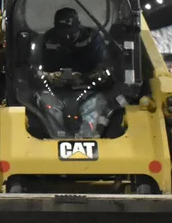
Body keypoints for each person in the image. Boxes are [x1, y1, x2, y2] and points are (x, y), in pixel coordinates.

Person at [35, 7, 114, 137]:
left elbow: (103, 65)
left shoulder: (92, 37)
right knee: (46, 104)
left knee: (96, 106)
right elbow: (37, 67)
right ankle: (58, 138)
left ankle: (88, 138)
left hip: (89, 90)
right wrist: (50, 76)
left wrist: (84, 78)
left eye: (71, 33)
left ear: (79, 27)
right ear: (56, 29)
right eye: (62, 32)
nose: (67, 37)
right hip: (56, 90)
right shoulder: (48, 38)